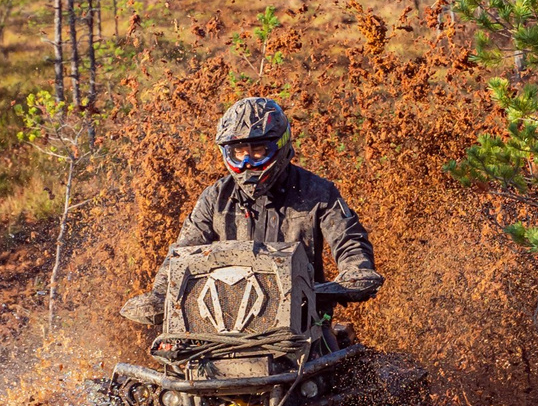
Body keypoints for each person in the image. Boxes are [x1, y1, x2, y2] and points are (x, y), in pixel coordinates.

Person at [121, 96, 382, 328]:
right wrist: (160, 294)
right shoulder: (215, 198)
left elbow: (349, 242)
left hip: (303, 326)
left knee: (354, 376)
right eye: (239, 152)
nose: (247, 162)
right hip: (219, 329)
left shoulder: (318, 192)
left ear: (280, 146)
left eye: (258, 151)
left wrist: (355, 271)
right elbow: (183, 253)